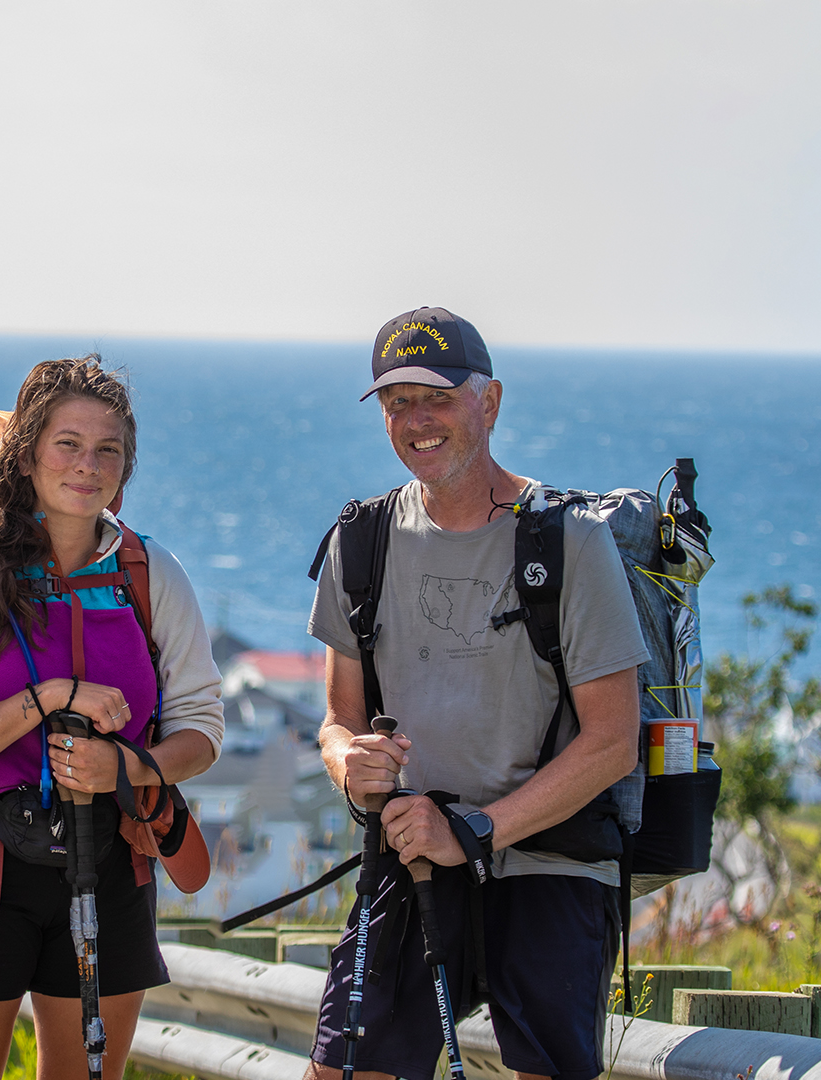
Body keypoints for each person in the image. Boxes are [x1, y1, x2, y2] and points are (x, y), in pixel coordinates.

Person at [305, 308, 648, 1080]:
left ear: (489, 403)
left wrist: (480, 831)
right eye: (397, 403)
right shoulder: (361, 542)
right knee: (342, 1071)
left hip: (551, 856)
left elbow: (611, 741)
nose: (417, 421)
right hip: (417, 849)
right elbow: (338, 720)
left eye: (439, 398)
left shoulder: (571, 541)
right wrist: (348, 762)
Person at [0, 356, 225, 1080]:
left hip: (113, 857)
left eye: (109, 449)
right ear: (29, 452)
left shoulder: (149, 572)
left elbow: (202, 729)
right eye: (68, 443)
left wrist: (130, 768)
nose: (88, 465)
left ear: (126, 465)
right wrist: (49, 698)